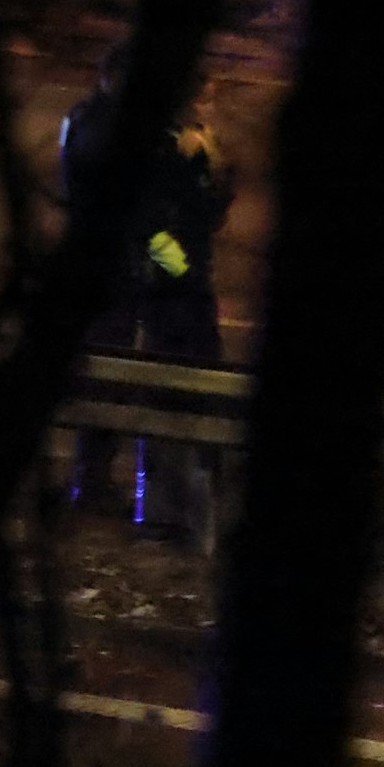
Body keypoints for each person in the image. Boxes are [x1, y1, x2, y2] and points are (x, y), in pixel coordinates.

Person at [131, 71, 235, 542]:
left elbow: (207, 216)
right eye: (204, 99)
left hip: (191, 289)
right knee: (165, 393)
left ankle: (191, 509)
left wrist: (214, 170)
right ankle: (160, 510)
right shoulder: (158, 145)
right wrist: (184, 274)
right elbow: (149, 226)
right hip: (168, 292)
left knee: (199, 392)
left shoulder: (193, 144)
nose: (209, 109)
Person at [59, 43, 137, 517]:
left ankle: (92, 475)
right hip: (107, 267)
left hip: (93, 261)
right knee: (106, 369)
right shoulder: (106, 123)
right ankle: (90, 479)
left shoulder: (82, 117)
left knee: (103, 369)